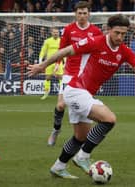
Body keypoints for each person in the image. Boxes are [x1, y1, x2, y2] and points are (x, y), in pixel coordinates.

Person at [27, 14, 135, 179]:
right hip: (75, 90)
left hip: (85, 95)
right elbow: (66, 50)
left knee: (80, 137)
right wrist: (43, 65)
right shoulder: (95, 42)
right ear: (108, 30)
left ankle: (58, 167)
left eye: (124, 34)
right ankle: (83, 156)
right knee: (109, 119)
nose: (120, 37)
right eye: (117, 32)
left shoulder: (125, 51)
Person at [47, 1, 102, 146]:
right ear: (75, 14)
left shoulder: (96, 32)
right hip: (70, 73)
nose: (82, 16)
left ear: (89, 14)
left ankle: (81, 136)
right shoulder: (68, 29)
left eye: (85, 13)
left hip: (86, 76)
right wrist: (57, 66)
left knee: (83, 108)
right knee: (60, 105)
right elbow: (61, 50)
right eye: (80, 13)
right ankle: (56, 130)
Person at [39, 27, 63, 100]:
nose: (55, 33)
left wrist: (65, 61)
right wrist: (40, 59)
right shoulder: (47, 41)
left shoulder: (62, 41)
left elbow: (64, 51)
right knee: (48, 77)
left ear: (59, 33)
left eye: (57, 32)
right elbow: (43, 50)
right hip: (49, 62)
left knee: (60, 77)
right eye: (54, 32)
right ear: (52, 33)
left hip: (59, 61)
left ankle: (62, 93)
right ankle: (46, 93)